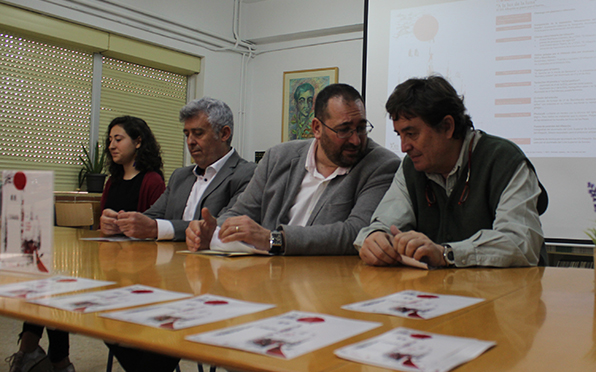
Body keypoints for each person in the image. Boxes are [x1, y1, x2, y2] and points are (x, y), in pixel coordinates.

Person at [7, 116, 166, 372]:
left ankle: (40, 355)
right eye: (110, 140)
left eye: (118, 139)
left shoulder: (152, 181)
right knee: (50, 284)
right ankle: (49, 357)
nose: (112, 145)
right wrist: (106, 224)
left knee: (55, 290)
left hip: (135, 272)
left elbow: (156, 228)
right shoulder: (112, 181)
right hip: (105, 262)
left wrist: (129, 227)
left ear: (138, 142)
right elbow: (101, 227)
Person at [354, 75, 548, 268]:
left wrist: (447, 254)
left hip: (508, 293)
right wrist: (375, 239)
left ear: (447, 127)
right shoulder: (411, 168)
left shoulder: (503, 161)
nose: (404, 147)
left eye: (411, 134)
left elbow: (521, 243)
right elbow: (382, 225)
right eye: (400, 135)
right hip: (437, 293)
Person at [186, 83, 400, 255]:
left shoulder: (381, 165)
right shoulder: (278, 157)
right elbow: (241, 211)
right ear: (316, 128)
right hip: (264, 275)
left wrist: (273, 239)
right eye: (344, 130)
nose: (355, 139)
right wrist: (211, 230)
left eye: (361, 128)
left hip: (328, 280)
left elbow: (356, 232)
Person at [99, 97, 256, 242]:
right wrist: (120, 224)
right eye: (187, 134)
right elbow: (152, 217)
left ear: (224, 134)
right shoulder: (180, 176)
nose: (190, 141)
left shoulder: (247, 174)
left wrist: (157, 229)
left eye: (198, 133)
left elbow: (224, 226)